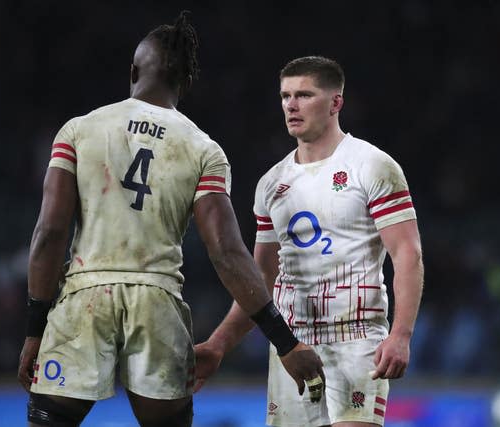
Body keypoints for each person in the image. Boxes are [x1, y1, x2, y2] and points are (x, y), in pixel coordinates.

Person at [17, 13, 324, 427]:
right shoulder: (202, 149)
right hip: (156, 301)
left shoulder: (78, 131)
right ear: (185, 83)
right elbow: (227, 252)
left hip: (84, 297)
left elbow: (50, 233)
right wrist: (285, 343)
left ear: (133, 71)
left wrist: (36, 330)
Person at [194, 56, 424, 427]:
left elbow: (407, 253)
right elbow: (259, 280)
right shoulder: (272, 183)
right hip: (292, 345)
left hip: (356, 336)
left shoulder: (371, 165)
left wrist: (400, 334)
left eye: (304, 94)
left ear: (336, 102)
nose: (291, 105)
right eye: (285, 96)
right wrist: (219, 343)